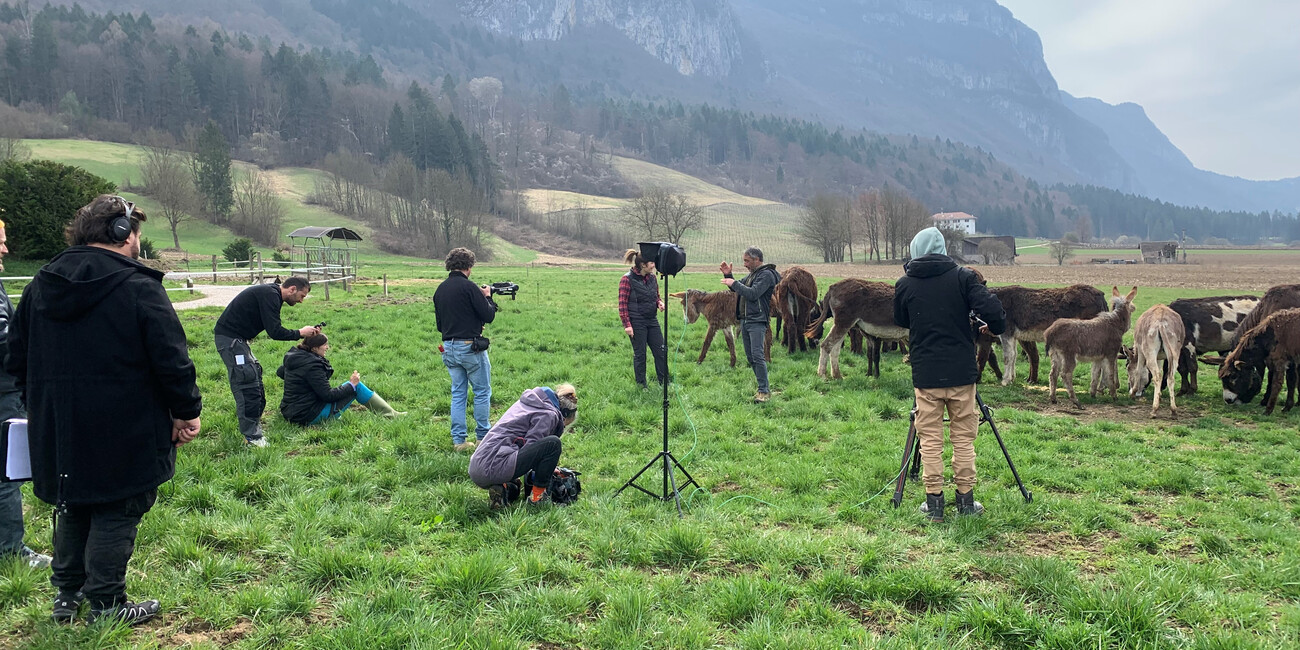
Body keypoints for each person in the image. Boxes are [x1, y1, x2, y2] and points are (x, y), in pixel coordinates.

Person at [5, 195, 202, 625]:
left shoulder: (39, 286)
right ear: (123, 233)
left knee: (72, 503)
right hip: (126, 428)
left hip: (57, 426)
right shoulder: (139, 286)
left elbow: (14, 359)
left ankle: (66, 595)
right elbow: (172, 359)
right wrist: (187, 411)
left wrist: (42, 405)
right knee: (118, 507)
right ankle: (107, 603)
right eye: (136, 232)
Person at [893, 227, 1006, 523]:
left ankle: (934, 504)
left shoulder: (905, 283)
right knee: (963, 439)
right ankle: (966, 501)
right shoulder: (963, 278)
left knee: (930, 440)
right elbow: (995, 312)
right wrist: (988, 325)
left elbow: (901, 319)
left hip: (926, 373)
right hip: (961, 373)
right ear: (943, 250)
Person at [0, 219, 52, 570]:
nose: (5, 249)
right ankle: (10, 550)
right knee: (5, 473)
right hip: (3, 390)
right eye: (0, 242)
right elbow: (3, 340)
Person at [213, 276, 318, 447]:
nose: (301, 301)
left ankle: (253, 426)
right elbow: (275, 331)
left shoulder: (272, 294)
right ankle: (252, 437)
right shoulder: (270, 295)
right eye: (302, 296)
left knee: (255, 376)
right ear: (292, 289)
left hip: (239, 340)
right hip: (231, 341)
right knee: (247, 383)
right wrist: (300, 333)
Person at [468, 384, 578, 509]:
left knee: (516, 487)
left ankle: (506, 489)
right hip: (495, 465)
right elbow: (533, 449)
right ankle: (538, 497)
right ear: (564, 415)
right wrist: (546, 468)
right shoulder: (548, 414)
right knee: (553, 444)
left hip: (478, 466)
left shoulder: (531, 403)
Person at [433, 247, 498, 452]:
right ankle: (482, 437)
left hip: (449, 348)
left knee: (458, 393)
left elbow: (440, 326)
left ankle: (459, 441)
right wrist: (488, 297)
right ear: (469, 267)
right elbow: (488, 315)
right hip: (470, 348)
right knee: (482, 391)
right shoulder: (470, 288)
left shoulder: (440, 290)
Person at [276, 333, 405, 425]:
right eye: (324, 344)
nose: (327, 347)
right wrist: (351, 385)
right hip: (307, 416)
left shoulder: (296, 358)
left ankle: (389, 413)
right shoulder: (313, 366)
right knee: (357, 387)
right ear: (314, 348)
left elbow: (280, 372)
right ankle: (391, 415)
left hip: (290, 411)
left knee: (351, 386)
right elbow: (328, 396)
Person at [720, 247, 780, 403]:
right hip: (746, 320)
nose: (744, 264)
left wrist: (734, 282)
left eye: (747, 261)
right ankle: (762, 387)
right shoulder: (753, 275)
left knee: (758, 356)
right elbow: (737, 287)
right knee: (750, 357)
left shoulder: (766, 275)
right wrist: (728, 275)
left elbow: (753, 293)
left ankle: (764, 392)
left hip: (757, 320)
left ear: (757, 259)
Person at [618, 248, 667, 389]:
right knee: (640, 355)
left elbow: (656, 296)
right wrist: (627, 325)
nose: (654, 265)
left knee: (661, 351)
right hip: (636, 321)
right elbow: (622, 304)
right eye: (651, 263)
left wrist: (659, 303)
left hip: (652, 320)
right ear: (643, 265)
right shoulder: (627, 279)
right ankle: (641, 385)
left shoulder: (652, 278)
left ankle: (664, 382)